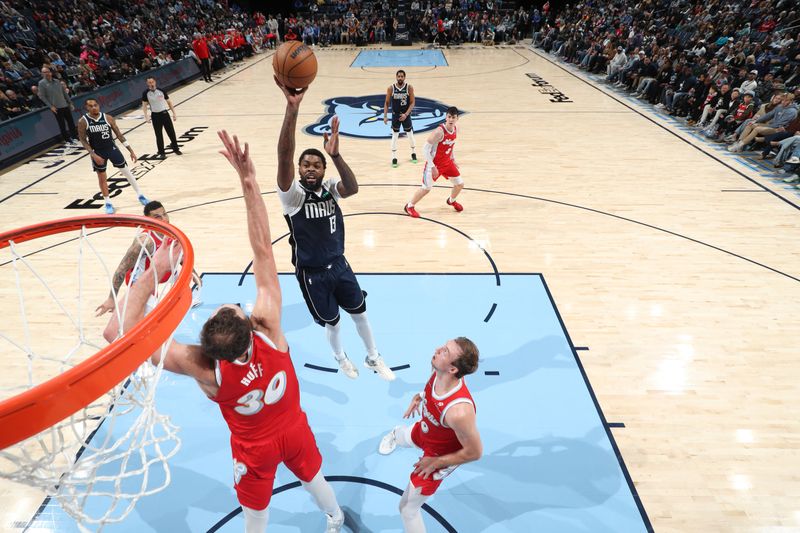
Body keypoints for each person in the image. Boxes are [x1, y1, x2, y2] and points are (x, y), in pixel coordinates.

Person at [107, 131, 345, 533]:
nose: (229, 302)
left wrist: (152, 273)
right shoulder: (270, 330)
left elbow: (133, 336)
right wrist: (249, 183)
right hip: (293, 428)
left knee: (255, 514)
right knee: (313, 478)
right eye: (231, 307)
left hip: (254, 450)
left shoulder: (206, 370)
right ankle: (336, 517)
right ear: (248, 325)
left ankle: (322, 517)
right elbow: (263, 250)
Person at [275, 77, 395, 381]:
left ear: (323, 169)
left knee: (361, 312)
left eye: (317, 164)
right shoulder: (292, 196)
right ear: (300, 170)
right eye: (306, 165)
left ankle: (373, 357)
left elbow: (352, 188)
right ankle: (341, 357)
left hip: (340, 264)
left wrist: (336, 155)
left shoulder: (330, 187)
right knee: (333, 323)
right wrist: (292, 110)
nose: (311, 168)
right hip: (312, 273)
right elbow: (283, 156)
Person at [378, 337, 482, 533]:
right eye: (444, 346)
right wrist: (418, 398)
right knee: (402, 435)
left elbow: (475, 452)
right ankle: (392, 434)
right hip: (428, 427)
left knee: (407, 509)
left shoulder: (459, 412)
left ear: (453, 369)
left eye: (445, 352)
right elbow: (430, 390)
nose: (438, 349)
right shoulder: (439, 370)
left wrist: (436, 462)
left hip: (438, 456)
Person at [96, 200, 201, 318]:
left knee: (181, 278)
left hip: (162, 273)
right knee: (152, 319)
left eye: (164, 214)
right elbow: (122, 269)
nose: (164, 219)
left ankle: (181, 300)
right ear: (147, 219)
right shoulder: (144, 242)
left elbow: (180, 257)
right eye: (157, 217)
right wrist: (111, 298)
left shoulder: (172, 231)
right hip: (142, 281)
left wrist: (194, 275)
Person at [77, 98, 149, 214]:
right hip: (98, 152)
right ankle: (108, 203)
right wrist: (93, 154)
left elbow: (119, 135)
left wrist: (131, 150)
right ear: (87, 108)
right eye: (91, 106)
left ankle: (140, 195)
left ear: (98, 105)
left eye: (95, 105)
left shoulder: (108, 118)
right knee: (102, 178)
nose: (94, 107)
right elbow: (83, 139)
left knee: (127, 172)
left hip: (111, 148)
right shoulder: (83, 121)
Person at [404, 107, 463, 218]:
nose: (451, 119)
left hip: (447, 162)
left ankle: (451, 201)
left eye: (453, 117)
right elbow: (425, 149)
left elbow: (451, 144)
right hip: (435, 164)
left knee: (460, 184)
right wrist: (432, 166)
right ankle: (409, 206)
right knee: (426, 188)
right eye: (449, 117)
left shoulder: (456, 128)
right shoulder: (439, 132)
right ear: (446, 117)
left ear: (457, 118)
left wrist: (453, 158)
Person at [142, 77, 183, 158]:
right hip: (155, 116)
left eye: (152, 82)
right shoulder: (145, 93)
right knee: (158, 135)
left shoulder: (161, 91)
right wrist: (146, 116)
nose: (151, 84)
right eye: (149, 82)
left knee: (171, 132)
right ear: (147, 84)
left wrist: (174, 113)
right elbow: (144, 105)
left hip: (164, 114)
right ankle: (161, 152)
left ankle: (176, 149)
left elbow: (169, 102)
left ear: (155, 82)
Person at [383, 69, 417, 167]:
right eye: (399, 76)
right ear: (396, 77)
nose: (400, 78)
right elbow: (386, 103)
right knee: (395, 136)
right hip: (395, 115)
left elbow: (412, 102)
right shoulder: (391, 88)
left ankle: (413, 152)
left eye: (402, 76)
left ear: (404, 77)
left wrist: (406, 114)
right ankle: (394, 157)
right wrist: (385, 116)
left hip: (406, 115)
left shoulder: (409, 88)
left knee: (410, 134)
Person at [38, 65, 77, 144]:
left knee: (71, 122)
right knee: (62, 124)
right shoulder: (41, 83)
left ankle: (75, 136)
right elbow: (42, 97)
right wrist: (51, 106)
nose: (46, 74)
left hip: (65, 105)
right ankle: (67, 139)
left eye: (47, 72)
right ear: (42, 74)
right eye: (44, 72)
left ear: (50, 72)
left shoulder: (57, 81)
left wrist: (70, 103)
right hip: (56, 108)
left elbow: (64, 93)